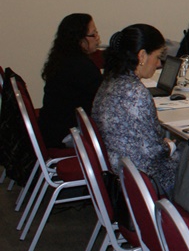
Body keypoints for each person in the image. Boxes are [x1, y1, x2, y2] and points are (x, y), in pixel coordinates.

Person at [92, 24, 179, 193]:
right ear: (142, 56)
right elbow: (153, 152)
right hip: (143, 178)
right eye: (157, 57)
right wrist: (169, 147)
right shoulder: (136, 93)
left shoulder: (111, 80)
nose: (159, 64)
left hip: (119, 170)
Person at [39, 14, 103, 149]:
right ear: (79, 40)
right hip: (65, 136)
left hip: (52, 129)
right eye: (93, 34)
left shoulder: (62, 59)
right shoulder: (81, 67)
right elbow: (103, 101)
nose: (98, 37)